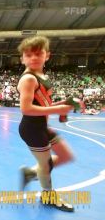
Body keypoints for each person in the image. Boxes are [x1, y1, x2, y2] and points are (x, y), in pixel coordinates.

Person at [17, 36, 76, 212]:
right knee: (46, 164)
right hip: (31, 129)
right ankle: (48, 196)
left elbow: (43, 105)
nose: (33, 58)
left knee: (65, 156)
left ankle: (31, 173)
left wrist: (61, 105)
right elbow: (26, 109)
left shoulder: (41, 75)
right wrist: (57, 110)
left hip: (41, 127)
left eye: (38, 54)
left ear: (47, 55)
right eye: (29, 55)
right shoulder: (29, 79)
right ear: (22, 59)